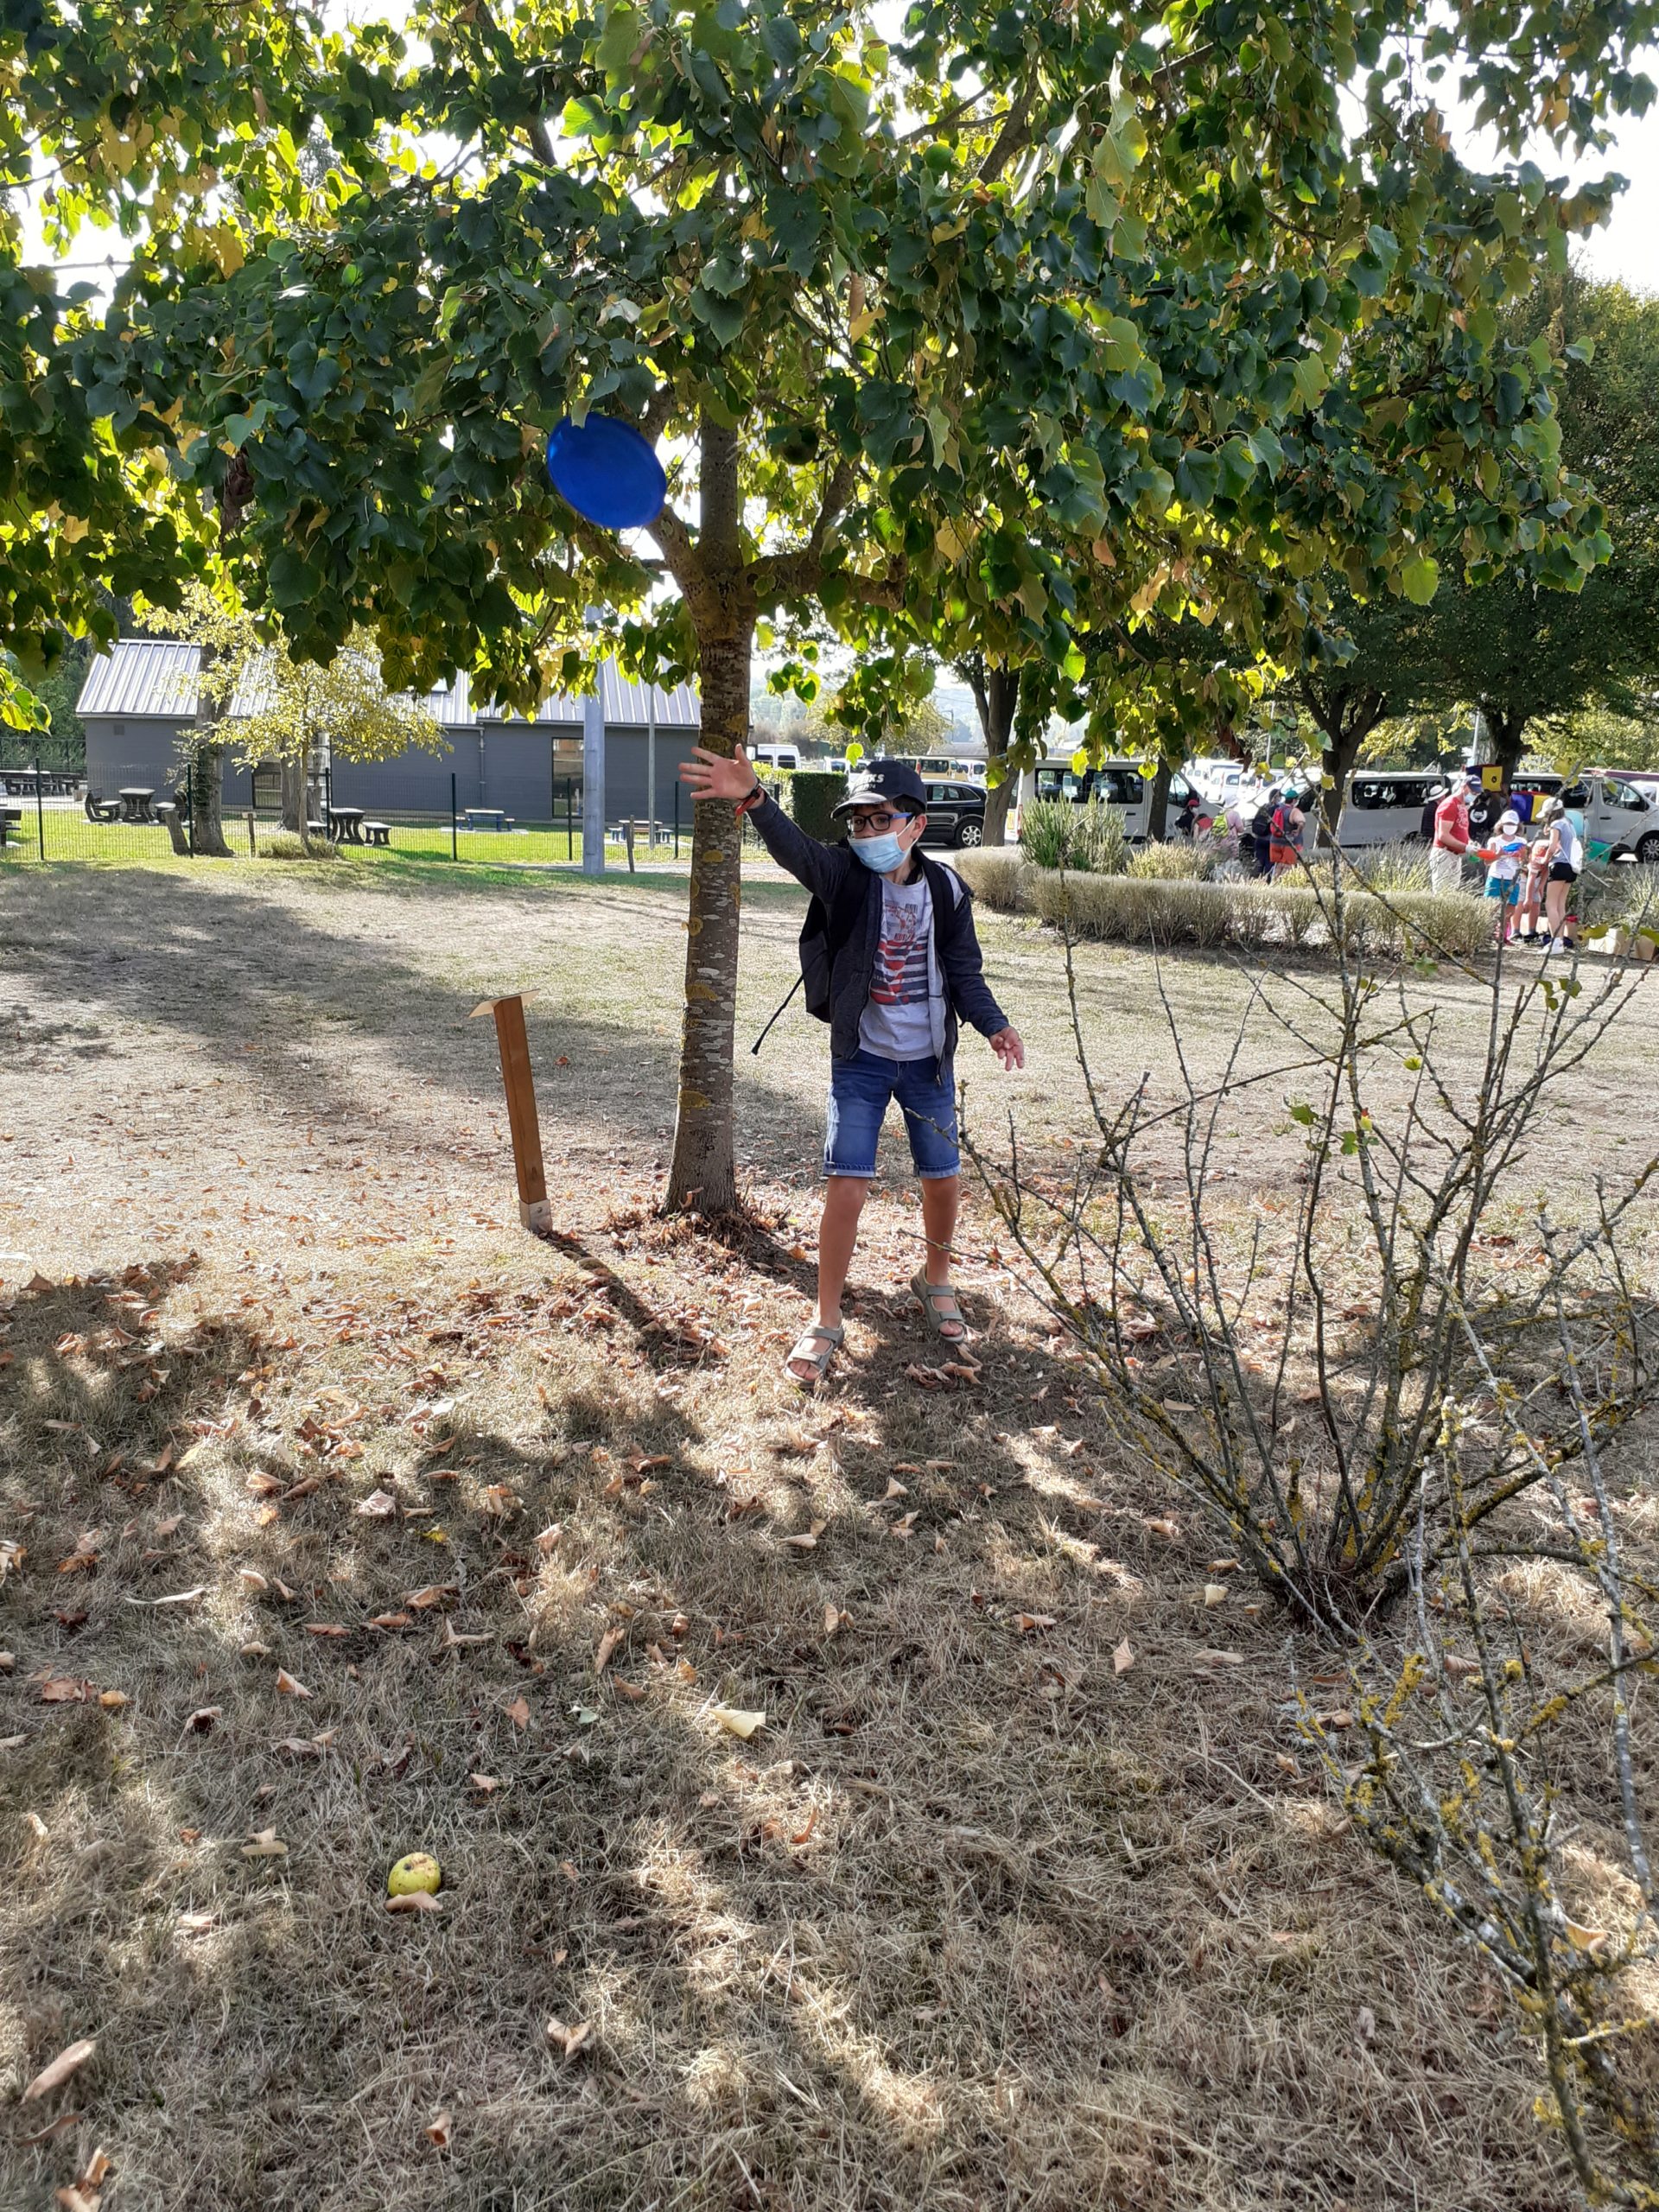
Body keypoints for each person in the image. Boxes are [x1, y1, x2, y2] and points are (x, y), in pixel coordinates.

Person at [679, 745, 1025, 1387]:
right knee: (847, 1186)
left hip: (927, 1064)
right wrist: (755, 800)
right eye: (859, 821)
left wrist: (995, 1025)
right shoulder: (846, 876)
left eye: (880, 819)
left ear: (916, 825)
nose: (867, 833)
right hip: (861, 1060)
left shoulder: (947, 891)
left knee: (943, 1178)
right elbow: (801, 854)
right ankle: (826, 1315)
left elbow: (965, 972)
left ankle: (936, 1280)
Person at [1475, 808, 1527, 946]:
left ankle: (1502, 935)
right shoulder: (1494, 841)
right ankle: (1487, 934)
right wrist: (1498, 855)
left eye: (1513, 824)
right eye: (1507, 823)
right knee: (1491, 906)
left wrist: (1522, 856)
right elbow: (1487, 862)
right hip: (1496, 877)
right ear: (1501, 824)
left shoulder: (1521, 841)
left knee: (1510, 908)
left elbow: (1525, 862)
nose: (1510, 826)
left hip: (1513, 878)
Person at [1541, 795, 1583, 951]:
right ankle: (1560, 942)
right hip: (1571, 867)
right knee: (1560, 904)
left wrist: (1544, 860)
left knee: (1550, 904)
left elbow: (1552, 847)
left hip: (1559, 865)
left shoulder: (1557, 824)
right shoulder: (1568, 823)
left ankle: (1556, 942)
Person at [1429, 770, 1472, 894]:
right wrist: (1466, 847)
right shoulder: (1449, 805)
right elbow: (1443, 835)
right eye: (1473, 791)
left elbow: (1461, 830)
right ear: (1464, 787)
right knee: (1442, 893)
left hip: (1455, 854)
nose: (1475, 795)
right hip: (1445, 853)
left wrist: (1470, 842)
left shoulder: (1462, 805)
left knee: (1452, 893)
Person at [1268, 787, 1305, 875]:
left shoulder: (1278, 809)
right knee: (1287, 867)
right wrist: (1298, 830)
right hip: (1289, 844)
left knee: (1278, 865)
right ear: (1294, 800)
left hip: (1275, 842)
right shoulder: (1294, 811)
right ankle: (1283, 882)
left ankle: (1274, 881)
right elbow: (1301, 822)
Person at [1251, 788, 1281, 878]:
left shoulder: (1263, 807)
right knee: (1269, 863)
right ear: (1277, 798)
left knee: (1259, 862)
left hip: (1259, 839)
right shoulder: (1277, 809)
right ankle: (1266, 881)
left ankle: (1256, 880)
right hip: (1270, 840)